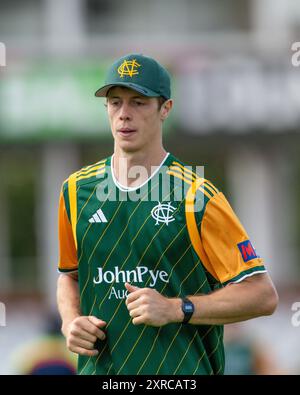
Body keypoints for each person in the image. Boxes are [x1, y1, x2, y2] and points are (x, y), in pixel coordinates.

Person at [56, 53, 278, 375]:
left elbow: (262, 295)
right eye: (115, 102)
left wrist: (177, 308)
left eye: (139, 102)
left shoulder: (198, 196)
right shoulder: (75, 191)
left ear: (165, 109)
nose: (124, 115)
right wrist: (70, 321)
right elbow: (70, 275)